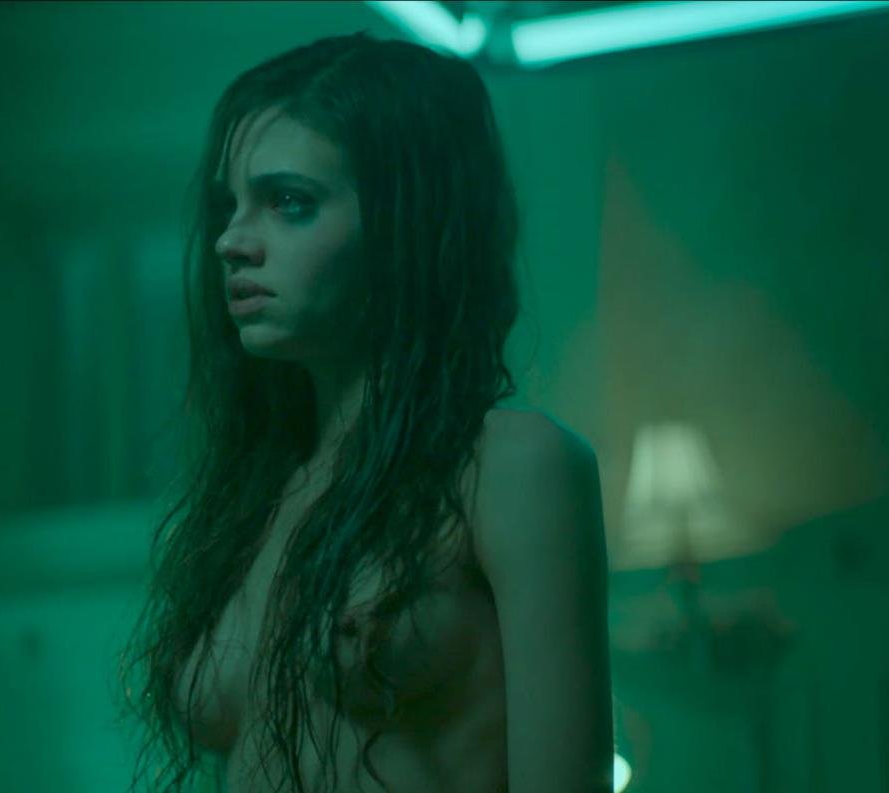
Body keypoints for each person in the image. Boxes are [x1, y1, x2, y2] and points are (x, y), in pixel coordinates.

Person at [118, 30, 612, 793]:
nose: (231, 241)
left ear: (406, 221)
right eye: (229, 205)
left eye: (289, 202)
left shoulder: (510, 466)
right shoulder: (261, 495)